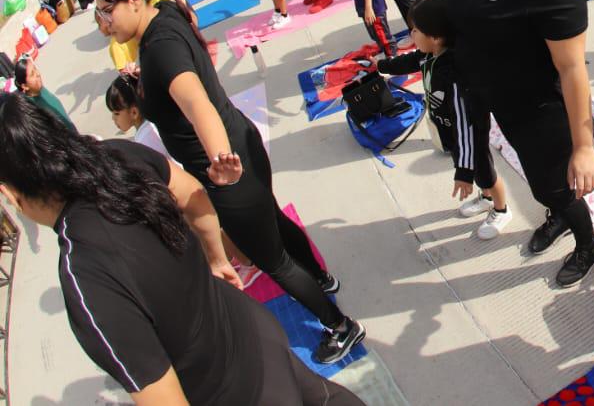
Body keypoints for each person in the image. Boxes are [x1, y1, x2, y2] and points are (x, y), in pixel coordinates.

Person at [0, 93, 365, 405]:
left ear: (9, 194)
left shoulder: (85, 277)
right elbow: (195, 198)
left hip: (239, 391)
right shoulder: (117, 155)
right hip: (253, 329)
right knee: (325, 397)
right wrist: (216, 257)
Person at [92, 0, 363, 363]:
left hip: (228, 168)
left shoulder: (160, 51)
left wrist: (220, 162)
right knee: (272, 218)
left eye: (105, 11)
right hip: (243, 142)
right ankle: (323, 278)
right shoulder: (163, 13)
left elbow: (197, 103)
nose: (102, 23)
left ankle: (340, 327)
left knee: (273, 260)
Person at [442, 0, 594, 287]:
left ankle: (589, 241)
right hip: (502, 98)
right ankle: (559, 216)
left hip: (543, 107)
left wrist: (583, 146)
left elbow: (571, 68)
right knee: (542, 184)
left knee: (554, 185)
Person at [377, 0, 511, 240]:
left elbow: (465, 124)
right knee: (477, 172)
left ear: (436, 37)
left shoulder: (455, 75)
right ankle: (486, 197)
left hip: (469, 134)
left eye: (415, 30)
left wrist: (463, 171)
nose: (411, 36)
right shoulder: (430, 53)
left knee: (486, 174)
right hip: (451, 131)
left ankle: (501, 209)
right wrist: (382, 67)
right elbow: (408, 62)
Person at [13, 57, 74, 130]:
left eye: (35, 69)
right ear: (25, 86)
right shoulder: (32, 109)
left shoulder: (40, 89)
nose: (38, 74)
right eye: (32, 74)